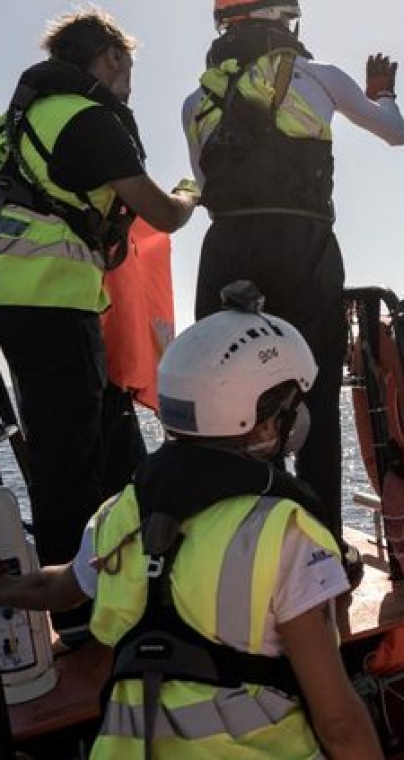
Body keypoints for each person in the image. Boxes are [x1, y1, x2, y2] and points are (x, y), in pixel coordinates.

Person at [0, 296, 383, 758]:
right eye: (289, 405)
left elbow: (56, 588)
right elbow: (339, 724)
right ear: (260, 420)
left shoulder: (122, 511)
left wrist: (5, 588)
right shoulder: (285, 533)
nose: (296, 418)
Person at [0, 7, 198, 645]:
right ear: (110, 57)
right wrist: (192, 192)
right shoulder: (88, 120)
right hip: (52, 304)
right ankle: (78, 619)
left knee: (91, 442)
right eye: (129, 68)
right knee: (69, 462)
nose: (130, 83)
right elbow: (160, 214)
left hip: (20, 307)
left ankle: (112, 581)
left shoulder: (24, 121)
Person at [183, 0, 404, 549]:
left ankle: (226, 546)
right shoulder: (317, 76)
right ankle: (321, 549)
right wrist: (383, 91)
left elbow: (202, 180)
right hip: (302, 247)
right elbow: (395, 133)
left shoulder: (196, 99)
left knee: (220, 405)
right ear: (284, 18)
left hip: (225, 250)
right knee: (316, 398)